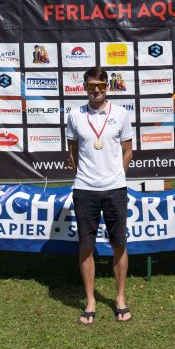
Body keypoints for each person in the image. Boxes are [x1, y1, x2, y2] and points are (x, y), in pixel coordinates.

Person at [66, 66, 134, 324]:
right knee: (86, 246)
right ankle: (90, 300)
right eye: (91, 86)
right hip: (85, 190)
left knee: (119, 244)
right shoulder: (75, 115)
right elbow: (72, 151)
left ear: (108, 86)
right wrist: (84, 175)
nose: (96, 90)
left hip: (115, 188)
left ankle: (120, 299)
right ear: (85, 87)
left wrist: (116, 175)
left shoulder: (121, 114)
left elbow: (128, 150)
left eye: (101, 86)